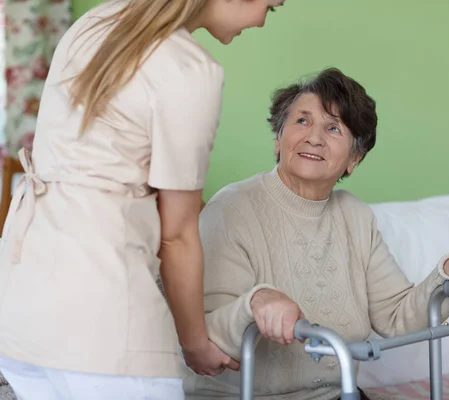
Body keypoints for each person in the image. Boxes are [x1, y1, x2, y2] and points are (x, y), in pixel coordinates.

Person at [0, 0, 287, 399]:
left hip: (21, 305)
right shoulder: (189, 68)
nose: (260, 22)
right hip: (103, 324)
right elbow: (178, 235)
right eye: (270, 8)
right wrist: (195, 342)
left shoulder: (95, 22)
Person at [182, 67, 449, 400]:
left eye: (333, 127)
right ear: (278, 139)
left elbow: (396, 316)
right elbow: (205, 338)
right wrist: (255, 303)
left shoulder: (354, 215)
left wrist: (448, 273)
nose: (314, 138)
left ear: (354, 158)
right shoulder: (232, 209)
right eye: (302, 121)